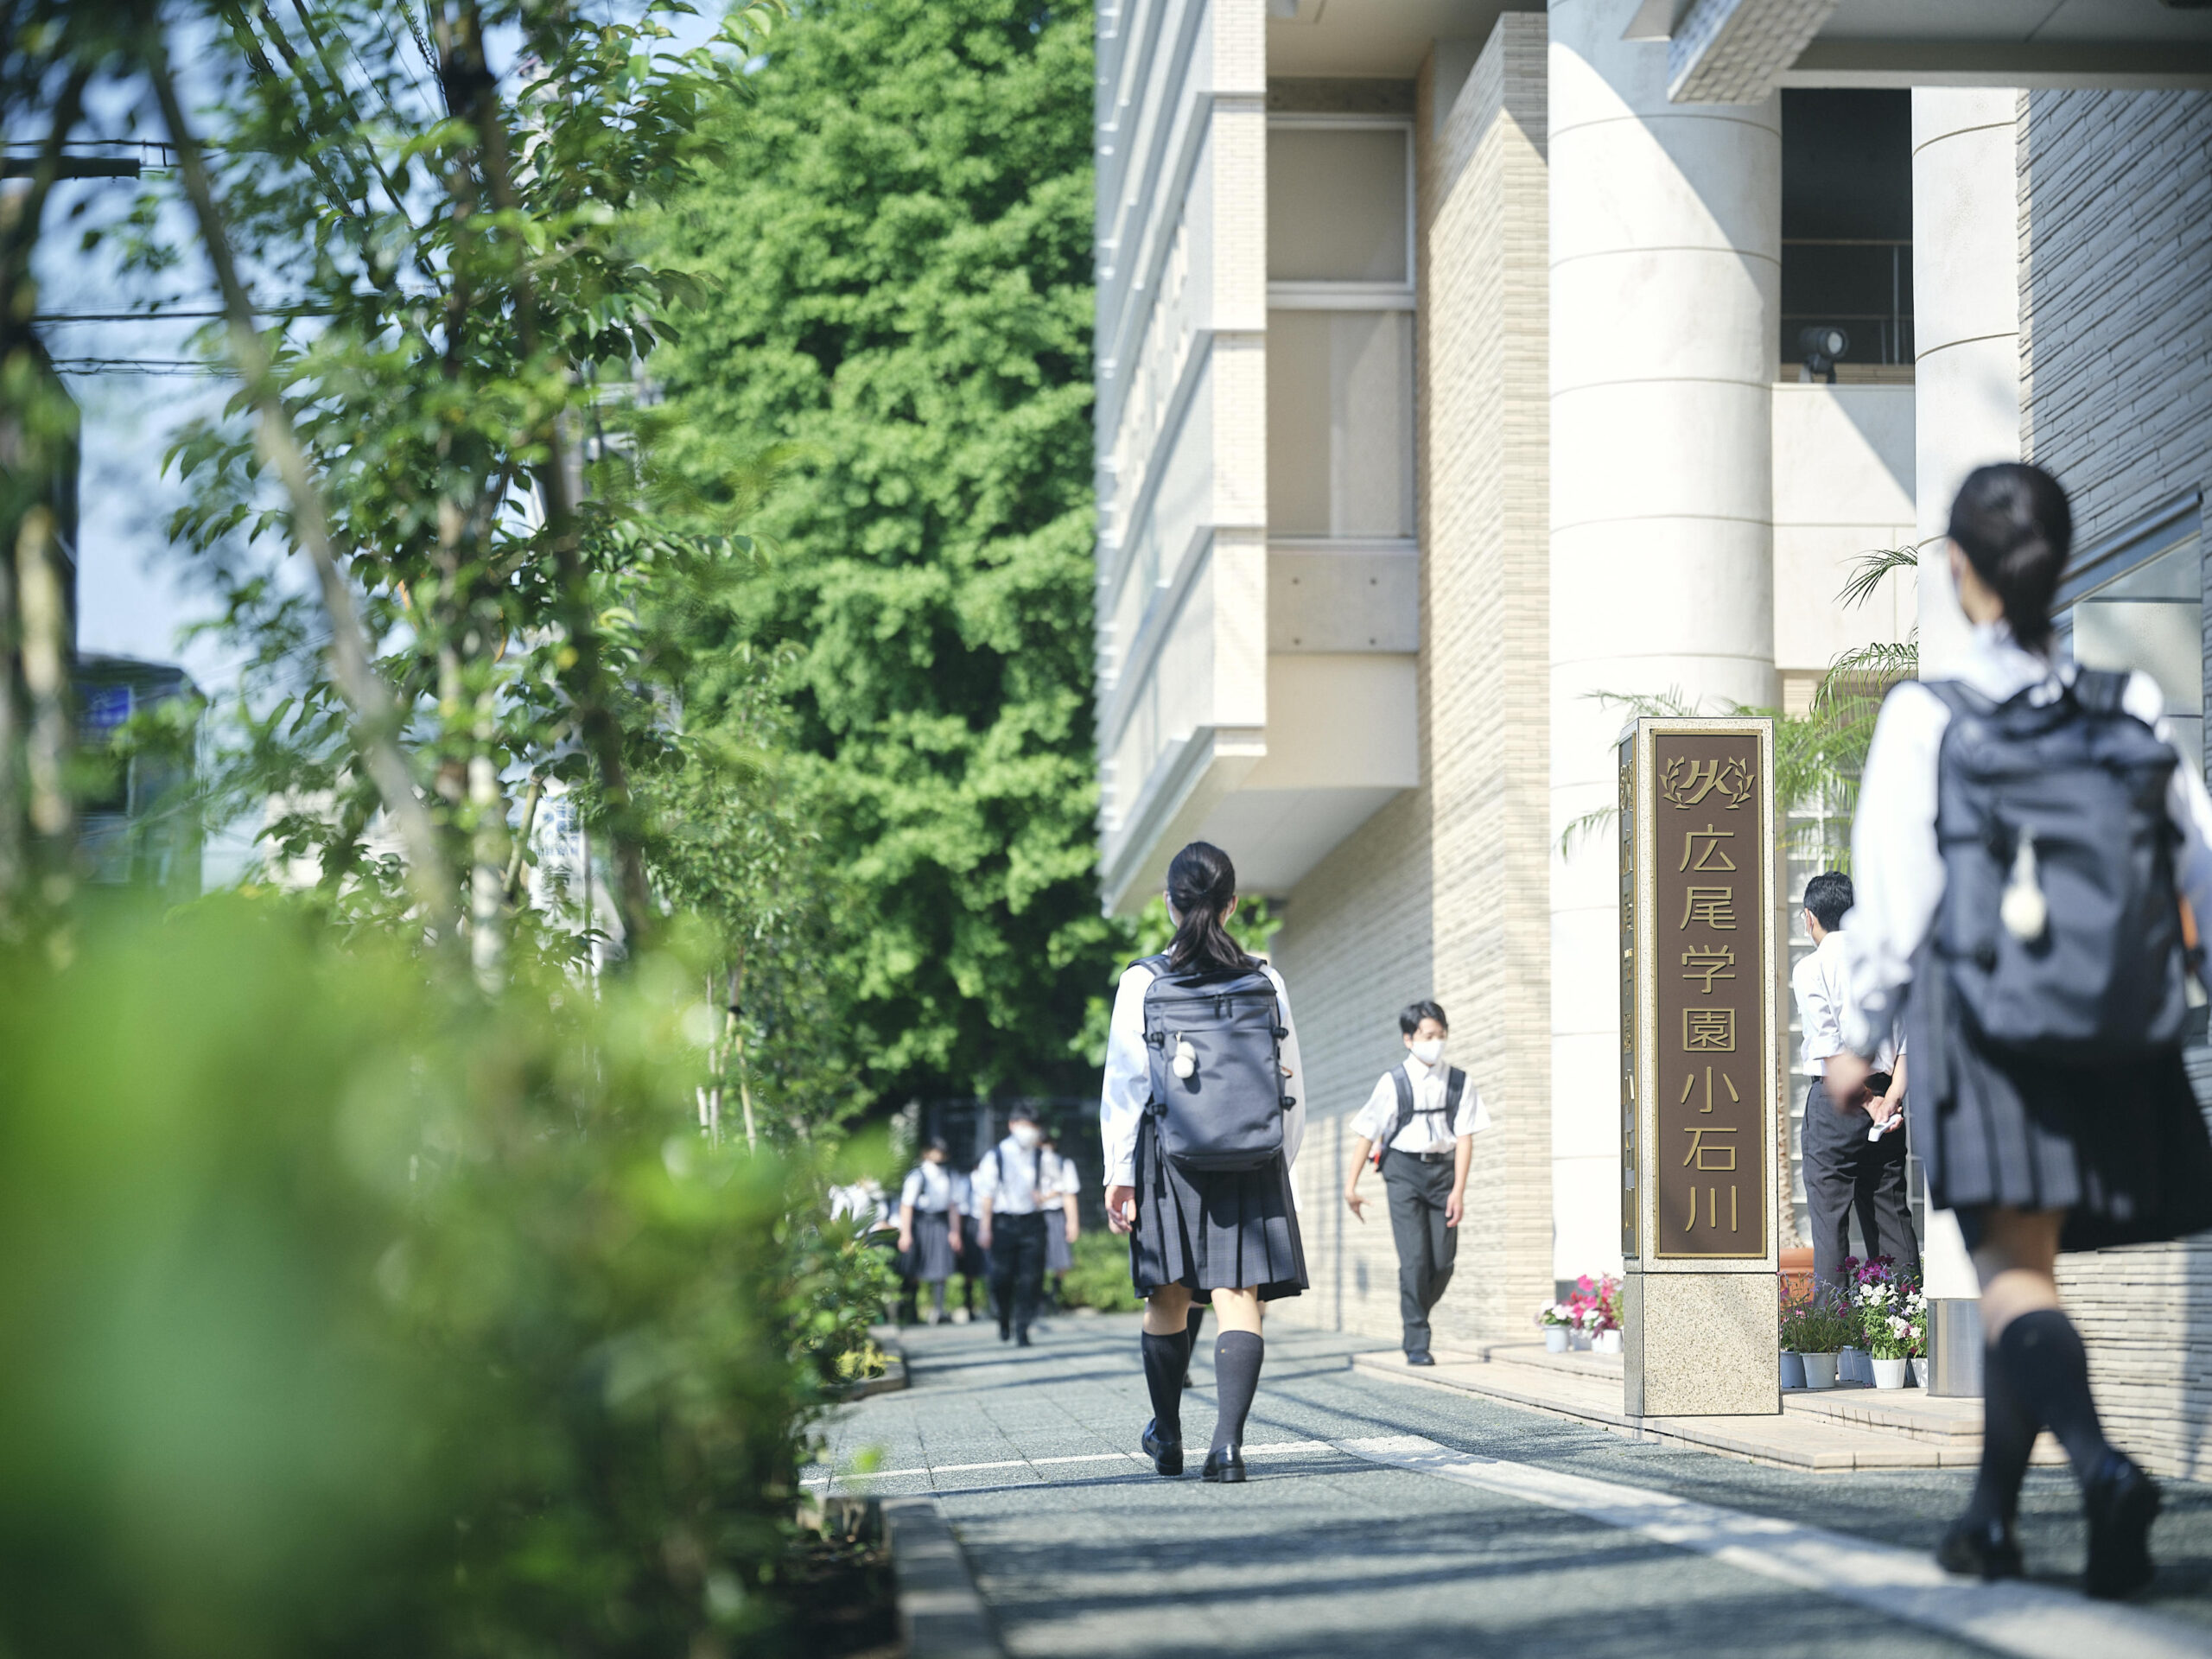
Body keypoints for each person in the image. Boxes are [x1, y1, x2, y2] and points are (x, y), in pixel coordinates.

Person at [1832, 461, 2212, 1598]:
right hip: (2113, 1022)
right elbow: (2195, 861)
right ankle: (1990, 1521)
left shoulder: (1925, 716)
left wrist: (1857, 1038)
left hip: (1984, 1026)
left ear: (1957, 570)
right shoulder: (2126, 704)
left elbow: (1893, 913)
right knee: (2028, 1275)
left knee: (2010, 1277)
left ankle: (2103, 1471)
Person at [1102, 841, 1307, 1484]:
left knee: (1168, 1297)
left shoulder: (1145, 981)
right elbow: (1290, 1079)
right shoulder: (1265, 978)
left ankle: (1168, 1437)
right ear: (1233, 906)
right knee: (1237, 1294)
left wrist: (1119, 1173)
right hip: (1251, 1158)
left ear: (1170, 903)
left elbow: (1126, 1086)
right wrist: (1283, 1157)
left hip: (1170, 1157)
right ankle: (1227, 1447)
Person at [1341, 1000, 1491, 1364]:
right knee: (1414, 1261)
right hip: (1403, 1172)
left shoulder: (1459, 1081)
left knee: (1442, 1262)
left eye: (1441, 1035)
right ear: (1409, 1039)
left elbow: (1466, 1136)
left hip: (1443, 1174)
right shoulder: (1392, 1082)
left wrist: (1459, 1190)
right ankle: (1417, 1341)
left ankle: (1416, 1314)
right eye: (1428, 1035)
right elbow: (1367, 1131)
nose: (1436, 1041)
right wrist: (1351, 1186)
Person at [1791, 871, 1919, 1298]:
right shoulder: (1886, 964)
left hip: (1837, 1103)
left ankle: (1831, 1344)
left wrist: (1867, 1103)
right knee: (1891, 1215)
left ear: (1810, 918)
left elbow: (1829, 1048)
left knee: (1830, 1224)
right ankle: (1907, 1335)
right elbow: (1906, 1044)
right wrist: (1888, 1102)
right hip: (1888, 1100)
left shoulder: (1811, 967)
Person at [972, 1105, 1074, 1347]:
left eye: (1034, 1127)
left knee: (1032, 1278)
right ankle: (1003, 1319)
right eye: (1026, 1125)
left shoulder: (1043, 1156)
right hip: (1003, 1222)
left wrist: (1045, 1196)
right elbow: (986, 1194)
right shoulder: (996, 1155)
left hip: (1033, 1222)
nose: (1030, 1132)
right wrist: (985, 1228)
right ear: (1012, 1125)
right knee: (1001, 1278)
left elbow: (1062, 1185)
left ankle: (1023, 1327)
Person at [895, 1138, 967, 1325]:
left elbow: (953, 1206)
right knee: (914, 1268)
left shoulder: (950, 1175)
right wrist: (906, 1232)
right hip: (920, 1223)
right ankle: (910, 1312)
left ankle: (939, 1310)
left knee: (941, 1268)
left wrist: (955, 1231)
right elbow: (907, 1205)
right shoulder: (917, 1175)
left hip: (941, 1222)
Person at [1039, 1131, 1081, 1308]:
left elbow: (1069, 1194)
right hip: (1035, 1215)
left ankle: (1053, 1296)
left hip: (1056, 1213)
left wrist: (1073, 1223)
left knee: (1060, 1260)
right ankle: (1037, 1299)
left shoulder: (1064, 1163)